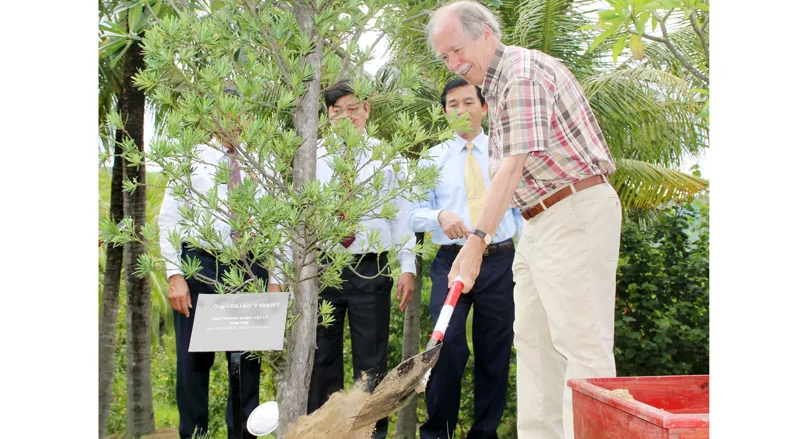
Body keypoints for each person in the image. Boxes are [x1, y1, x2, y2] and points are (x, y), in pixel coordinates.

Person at [426, 0, 623, 439]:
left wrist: (474, 246)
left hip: (573, 211)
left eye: (458, 50)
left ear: (486, 35)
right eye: (445, 57)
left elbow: (512, 166)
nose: (454, 63)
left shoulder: (521, 74)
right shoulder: (496, 89)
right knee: (534, 346)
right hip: (538, 222)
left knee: (582, 346)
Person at [158, 92, 283, 439]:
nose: (230, 120)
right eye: (221, 113)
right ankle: (193, 435)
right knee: (192, 366)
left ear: (246, 115)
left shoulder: (265, 162)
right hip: (199, 269)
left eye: (237, 112)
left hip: (250, 268)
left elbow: (282, 226)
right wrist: (174, 275)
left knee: (246, 368)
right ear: (210, 117)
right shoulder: (191, 158)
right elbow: (169, 220)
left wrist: (275, 280)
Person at [408, 77, 522, 439]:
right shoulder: (432, 158)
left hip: (500, 261)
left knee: (495, 352)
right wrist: (438, 216)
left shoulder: (504, 154)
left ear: (484, 107)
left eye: (469, 102)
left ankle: (485, 433)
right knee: (446, 346)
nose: (461, 110)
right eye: (453, 104)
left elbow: (521, 212)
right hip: (451, 263)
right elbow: (410, 213)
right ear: (444, 112)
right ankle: (437, 433)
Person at [308, 79, 416, 439]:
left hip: (371, 267)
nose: (345, 117)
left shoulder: (387, 157)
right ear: (327, 117)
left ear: (366, 110)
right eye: (336, 112)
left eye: (352, 108)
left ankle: (371, 434)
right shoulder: (312, 158)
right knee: (322, 358)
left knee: (371, 363)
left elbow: (401, 215)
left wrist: (407, 266)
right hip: (324, 268)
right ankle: (325, 432)